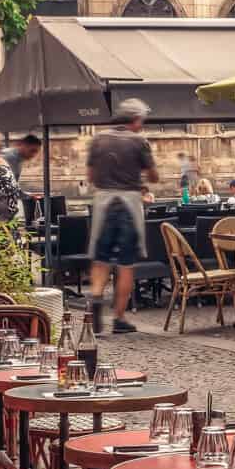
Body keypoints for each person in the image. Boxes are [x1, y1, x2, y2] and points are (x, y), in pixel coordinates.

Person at [87, 98, 159, 334]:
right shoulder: (139, 141)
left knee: (101, 258)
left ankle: (96, 297)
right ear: (136, 120)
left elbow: (90, 176)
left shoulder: (98, 139)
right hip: (129, 202)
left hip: (104, 201)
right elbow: (153, 176)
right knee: (127, 263)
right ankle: (119, 318)